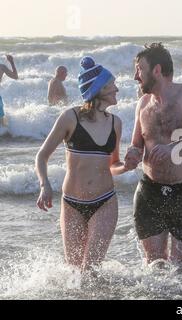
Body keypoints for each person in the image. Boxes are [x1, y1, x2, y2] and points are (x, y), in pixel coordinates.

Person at [35, 56, 130, 274]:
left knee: (90, 272)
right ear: (99, 88)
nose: (116, 88)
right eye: (112, 84)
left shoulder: (116, 123)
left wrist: (127, 166)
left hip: (104, 202)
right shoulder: (70, 117)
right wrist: (44, 185)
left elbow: (113, 165)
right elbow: (42, 156)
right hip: (71, 205)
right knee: (74, 272)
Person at [124, 43, 182, 265]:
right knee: (154, 266)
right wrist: (132, 154)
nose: (135, 76)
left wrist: (172, 149)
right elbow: (136, 144)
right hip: (150, 191)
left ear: (157, 70)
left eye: (139, 69)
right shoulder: (142, 103)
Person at [0, 55, 19, 127]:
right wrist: (11, 62)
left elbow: (16, 77)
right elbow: (15, 77)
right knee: (1, 123)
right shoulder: (1, 67)